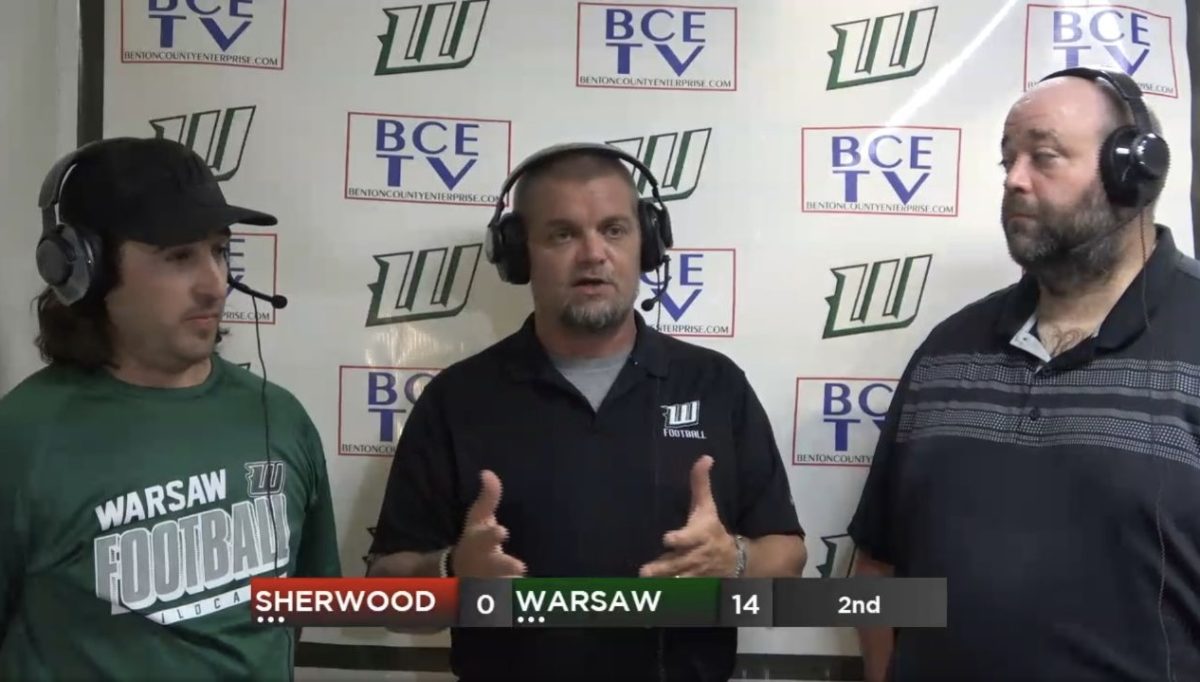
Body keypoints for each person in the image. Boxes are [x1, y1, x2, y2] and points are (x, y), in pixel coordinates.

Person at [366, 142, 806, 681]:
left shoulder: (716, 386)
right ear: (519, 254)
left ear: (647, 243)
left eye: (615, 229)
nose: (594, 254)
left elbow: (787, 558)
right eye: (563, 234)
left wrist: (734, 562)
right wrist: (451, 572)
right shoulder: (456, 401)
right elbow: (383, 595)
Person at [849, 66, 1200, 681]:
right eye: (1007, 159)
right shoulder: (948, 351)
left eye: (1044, 156)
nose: (1014, 180)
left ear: (1132, 173)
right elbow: (879, 566)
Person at [0, 137, 342, 680]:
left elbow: (293, 609)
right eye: (179, 256)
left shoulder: (278, 416)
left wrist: (455, 584)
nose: (215, 284)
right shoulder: (22, 436)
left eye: (220, 251)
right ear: (82, 269)